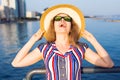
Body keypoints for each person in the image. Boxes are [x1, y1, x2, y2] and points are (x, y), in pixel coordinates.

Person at [11, 4, 114, 80]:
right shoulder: (45, 48)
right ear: (53, 25)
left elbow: (108, 64)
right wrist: (32, 39)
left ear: (71, 26)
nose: (62, 21)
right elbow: (16, 63)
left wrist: (93, 40)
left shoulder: (81, 48)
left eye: (67, 19)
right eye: (58, 18)